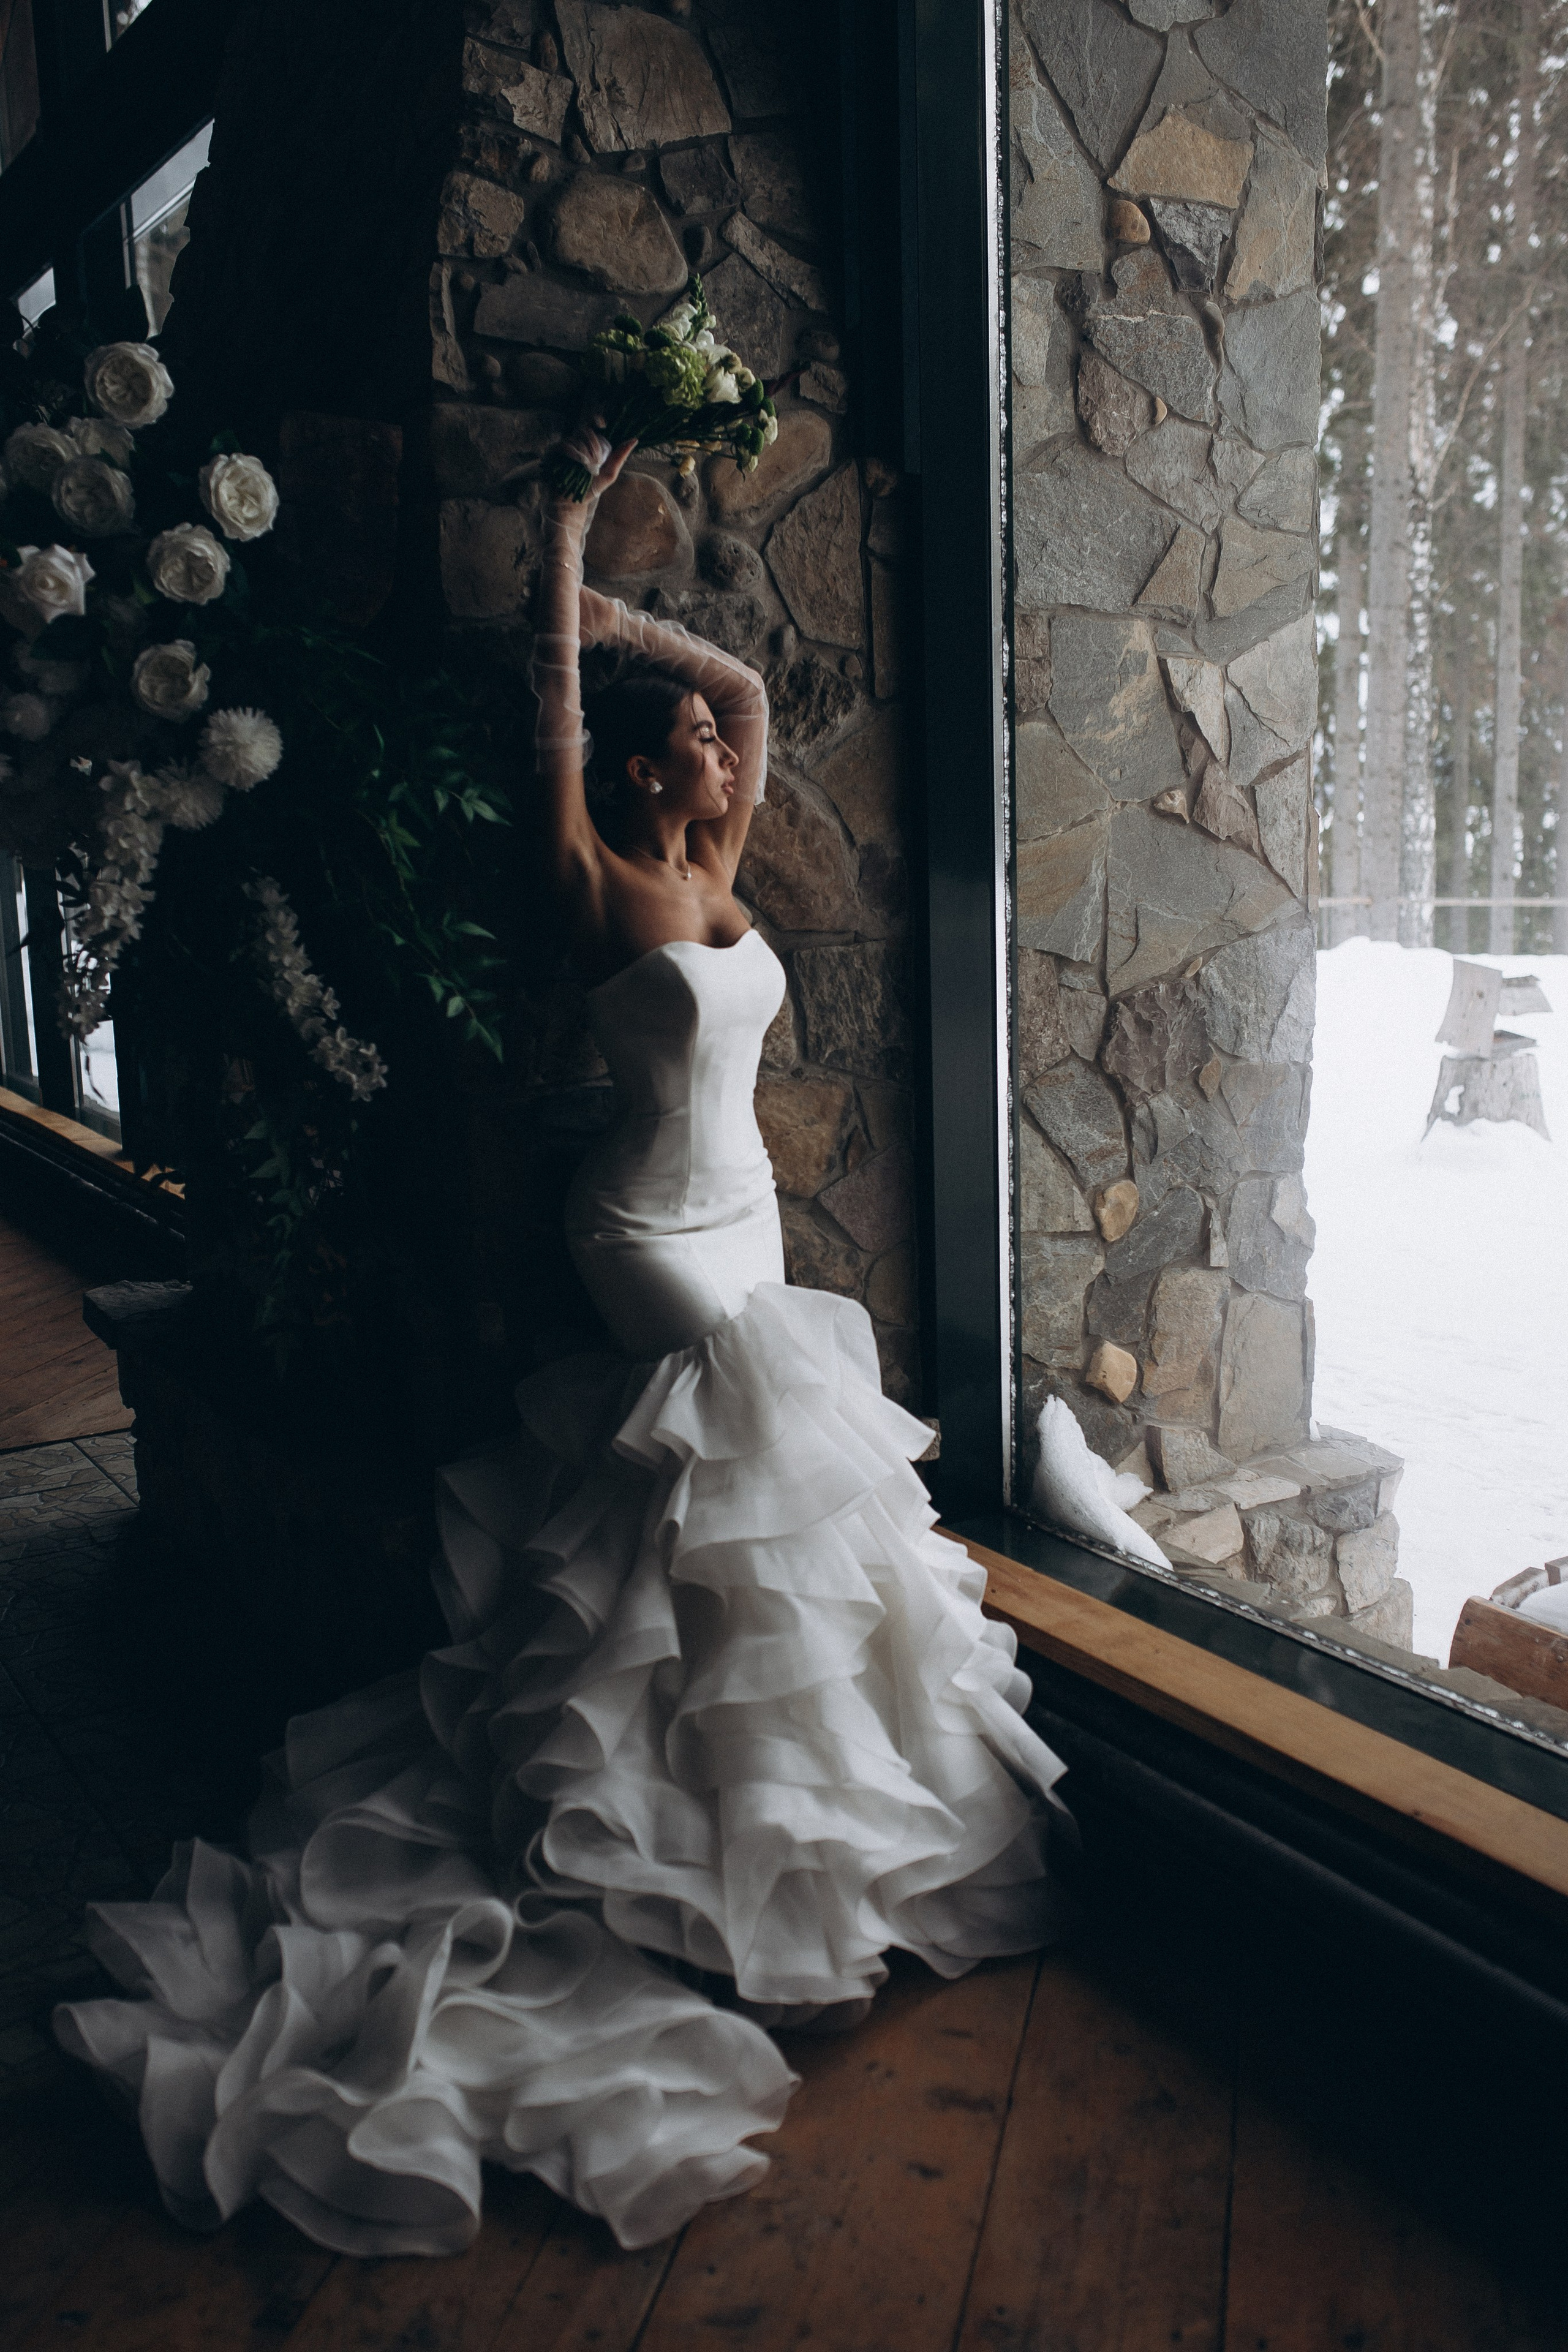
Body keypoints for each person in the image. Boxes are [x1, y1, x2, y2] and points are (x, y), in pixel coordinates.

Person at [55, 430, 1070, 2258]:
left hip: (749, 1218)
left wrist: (630, 612)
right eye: (684, 741)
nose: (720, 754)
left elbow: (749, 688)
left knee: (755, 1520)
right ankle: (671, 1853)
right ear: (633, 768)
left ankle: (760, 1839)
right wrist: (562, 562)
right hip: (646, 1237)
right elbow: (554, 726)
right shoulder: (597, 873)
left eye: (714, 751)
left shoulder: (725, 856)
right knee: (737, 1468)